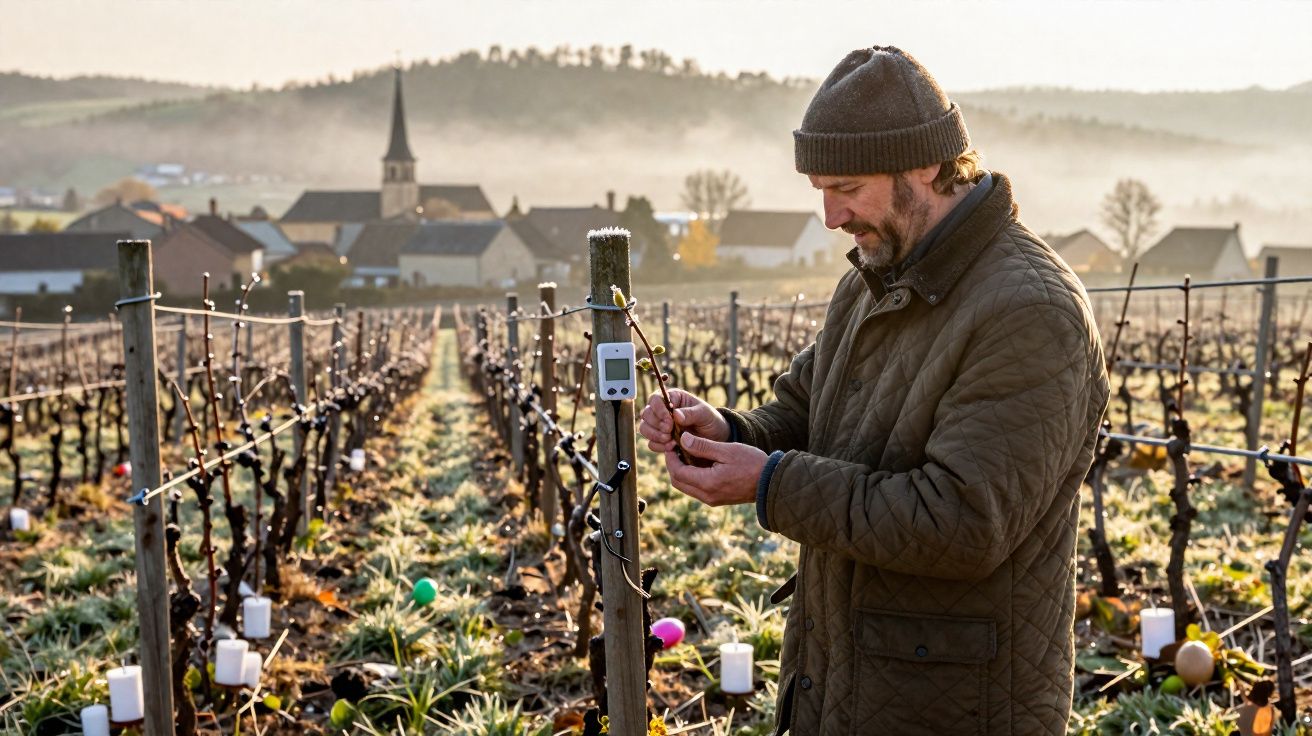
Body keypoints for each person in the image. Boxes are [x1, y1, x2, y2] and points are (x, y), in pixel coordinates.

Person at [639, 46, 1109, 735]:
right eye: (820, 191)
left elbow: (963, 523)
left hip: (954, 704)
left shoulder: (1030, 312)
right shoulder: (875, 276)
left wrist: (770, 483)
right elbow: (807, 408)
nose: (831, 216)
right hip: (844, 674)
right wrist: (732, 433)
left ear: (924, 166)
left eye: (848, 187)